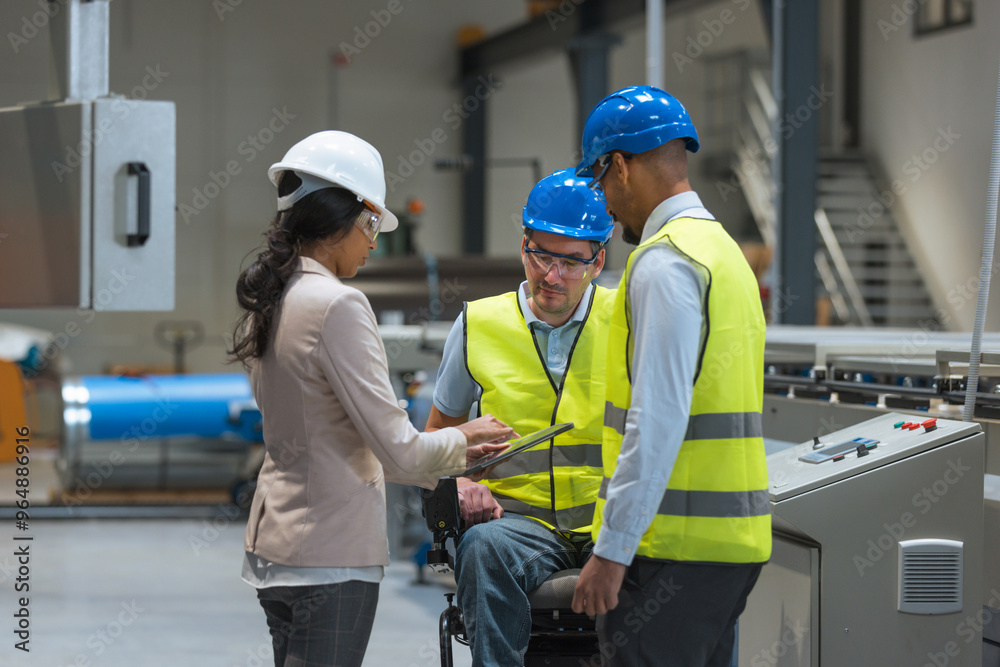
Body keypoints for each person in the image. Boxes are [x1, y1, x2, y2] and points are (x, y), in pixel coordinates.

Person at [230, 130, 515, 667]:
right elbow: (400, 452)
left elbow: (347, 445)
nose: (374, 242)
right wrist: (467, 438)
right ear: (349, 218)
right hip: (331, 557)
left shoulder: (273, 298)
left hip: (279, 546)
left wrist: (451, 463)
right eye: (372, 227)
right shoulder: (337, 304)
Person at [570, 86, 772, 666]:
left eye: (601, 180)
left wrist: (611, 551)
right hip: (729, 544)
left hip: (671, 548)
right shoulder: (722, 252)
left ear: (623, 167)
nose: (605, 204)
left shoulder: (663, 262)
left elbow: (656, 417)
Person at [425, 168, 615, 665]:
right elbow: (435, 438)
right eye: (541, 255)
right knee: (482, 549)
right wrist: (457, 483)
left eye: (570, 262)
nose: (551, 276)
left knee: (660, 562)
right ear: (523, 244)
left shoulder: (627, 320)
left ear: (599, 259)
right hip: (518, 525)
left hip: (610, 522)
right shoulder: (478, 324)